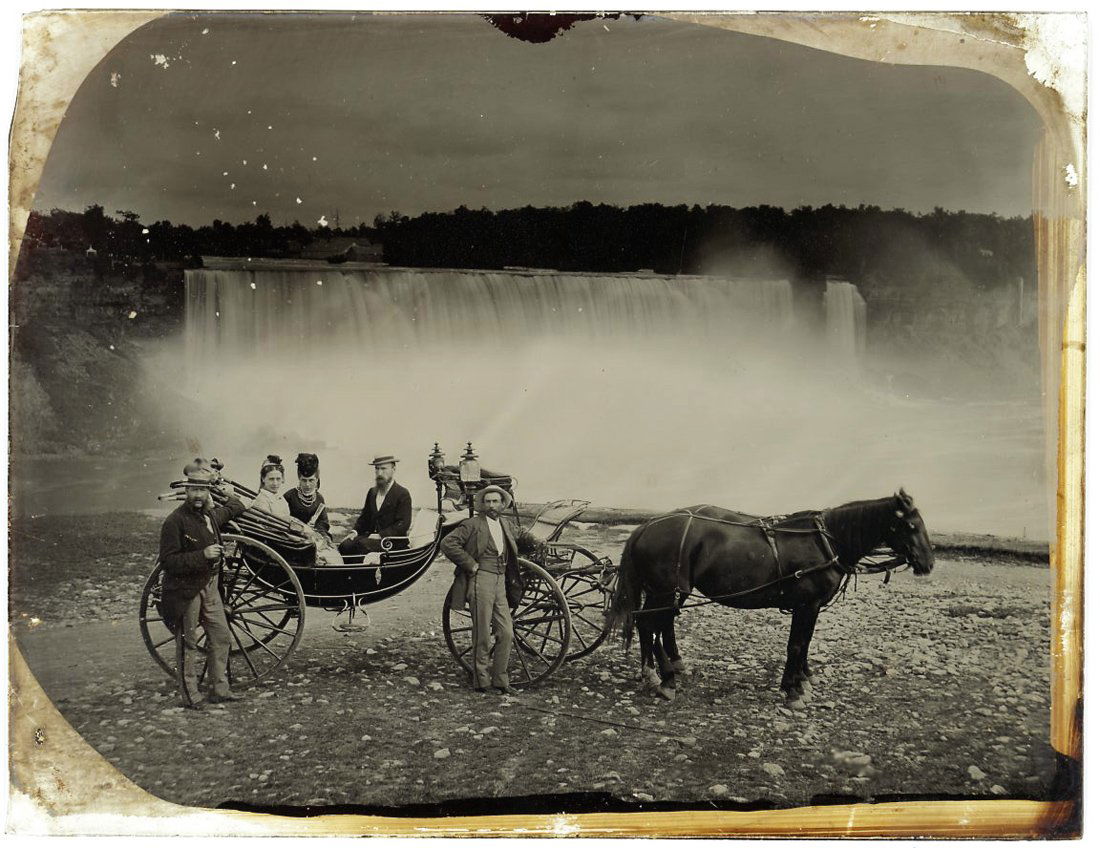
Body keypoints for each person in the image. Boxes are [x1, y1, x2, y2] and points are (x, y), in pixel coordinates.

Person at [158, 461, 248, 709]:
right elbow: (168, 562)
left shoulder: (210, 516)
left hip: (210, 587)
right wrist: (203, 555)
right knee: (188, 642)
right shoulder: (174, 522)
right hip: (186, 590)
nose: (198, 495)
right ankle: (190, 696)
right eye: (193, 490)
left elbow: (236, 506)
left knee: (221, 636)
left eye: (203, 489)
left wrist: (226, 491)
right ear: (186, 491)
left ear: (208, 491)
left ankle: (220, 689)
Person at [441, 485, 525, 695]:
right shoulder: (472, 524)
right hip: (481, 580)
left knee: (506, 632)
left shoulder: (505, 523)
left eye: (495, 501)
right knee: (482, 635)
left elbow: (521, 536)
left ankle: (500, 680)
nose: (491, 505)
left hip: (500, 582)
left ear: (502, 504)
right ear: (482, 504)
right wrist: (470, 564)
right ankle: (482, 682)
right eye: (487, 502)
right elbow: (448, 543)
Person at [338, 455, 412, 560]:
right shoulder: (372, 492)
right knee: (345, 546)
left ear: (393, 469)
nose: (379, 473)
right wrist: (354, 532)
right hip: (370, 539)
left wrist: (381, 535)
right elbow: (364, 518)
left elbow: (403, 524)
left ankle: (362, 576)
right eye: (377, 469)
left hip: (391, 542)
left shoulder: (402, 493)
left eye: (383, 469)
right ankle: (348, 575)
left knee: (361, 547)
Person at [284, 452, 343, 565]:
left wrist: (321, 535)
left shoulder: (319, 498)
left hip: (316, 538)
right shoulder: (289, 496)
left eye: (311, 480)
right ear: (299, 479)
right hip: (296, 541)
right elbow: (284, 521)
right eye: (304, 480)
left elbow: (323, 522)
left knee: (334, 557)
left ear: (316, 480)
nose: (307, 485)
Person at [251, 455, 292, 520]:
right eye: (271, 479)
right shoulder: (262, 500)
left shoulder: (280, 498)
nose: (275, 483)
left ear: (282, 479)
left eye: (278, 479)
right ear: (263, 479)